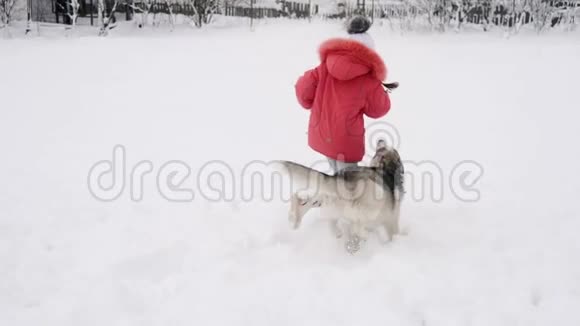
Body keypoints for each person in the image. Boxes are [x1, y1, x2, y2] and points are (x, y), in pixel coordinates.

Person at [294, 15, 392, 174]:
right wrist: (379, 87)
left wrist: (312, 102)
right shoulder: (368, 79)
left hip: (322, 134)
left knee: (335, 180)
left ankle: (332, 195)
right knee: (348, 189)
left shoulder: (324, 67)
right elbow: (380, 109)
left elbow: (302, 88)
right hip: (347, 142)